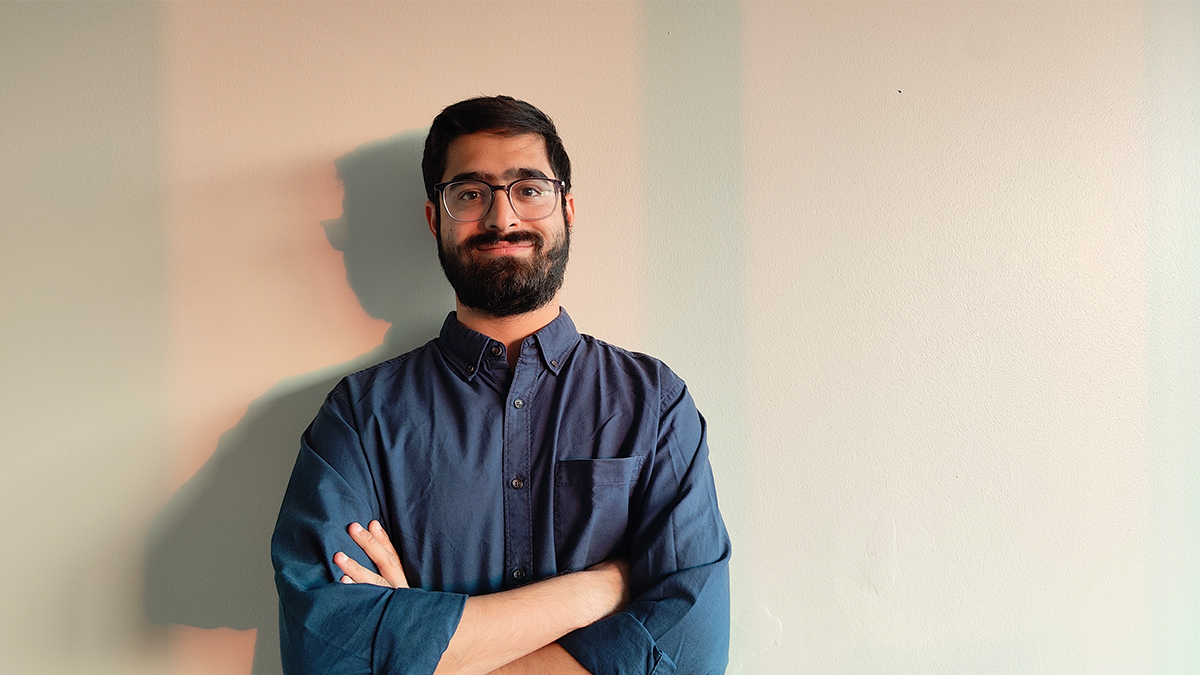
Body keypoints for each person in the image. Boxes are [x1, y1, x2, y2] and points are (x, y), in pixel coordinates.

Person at [271, 95, 730, 675]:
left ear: (566, 207)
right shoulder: (361, 417)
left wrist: (419, 647)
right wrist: (599, 590)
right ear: (436, 219)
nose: (501, 218)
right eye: (470, 193)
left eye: (528, 188)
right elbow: (324, 653)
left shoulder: (655, 404)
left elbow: (692, 653)